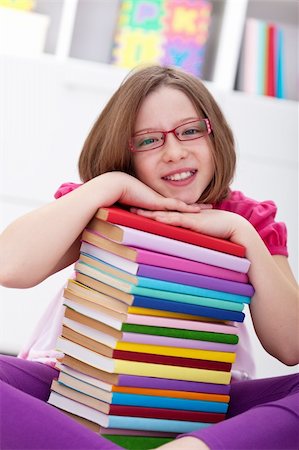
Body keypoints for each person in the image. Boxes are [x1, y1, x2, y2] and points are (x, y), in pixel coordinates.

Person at [0, 65, 298, 450]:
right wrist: (111, 185)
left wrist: (243, 234)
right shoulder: (102, 203)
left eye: (190, 131)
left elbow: (290, 347)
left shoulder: (247, 219)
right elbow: (10, 265)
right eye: (149, 140)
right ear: (126, 152)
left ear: (214, 134)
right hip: (78, 390)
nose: (175, 152)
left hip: (202, 408)